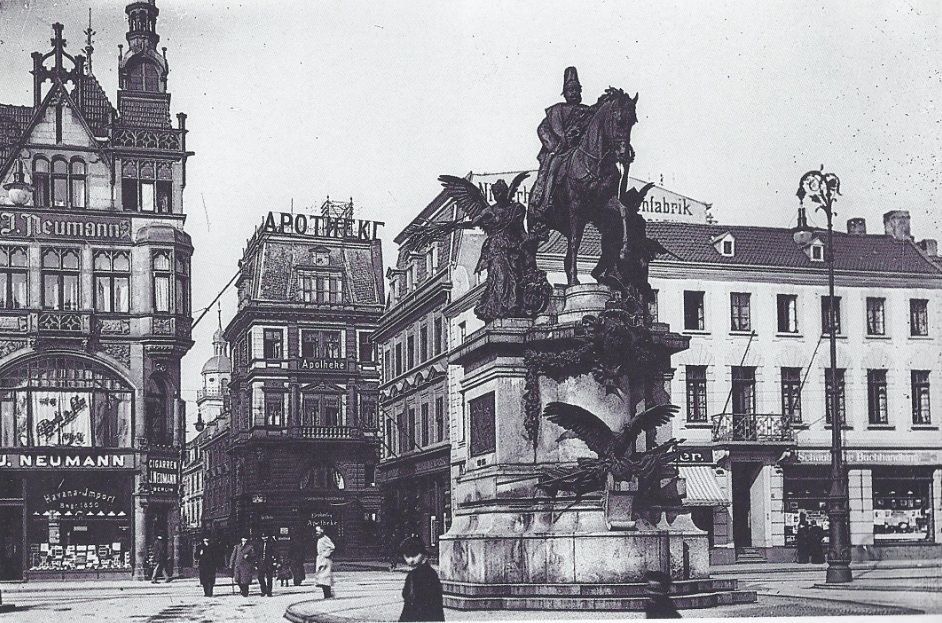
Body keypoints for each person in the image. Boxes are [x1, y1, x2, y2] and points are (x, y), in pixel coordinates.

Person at [529, 66, 592, 237]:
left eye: (575, 90)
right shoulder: (556, 111)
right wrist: (557, 144)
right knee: (553, 167)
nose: (573, 94)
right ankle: (545, 200)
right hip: (561, 151)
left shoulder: (588, 111)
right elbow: (543, 129)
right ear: (564, 93)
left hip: (581, 152)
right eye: (569, 90)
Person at [398, 535, 444, 622]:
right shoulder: (412, 574)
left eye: (415, 555)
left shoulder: (429, 574)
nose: (411, 560)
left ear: (424, 555)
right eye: (407, 556)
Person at [313, 525, 335, 599]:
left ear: (322, 531)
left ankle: (327, 594)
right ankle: (326, 594)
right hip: (321, 559)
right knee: (322, 578)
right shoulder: (320, 539)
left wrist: (325, 555)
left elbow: (332, 547)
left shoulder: (325, 539)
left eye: (318, 531)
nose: (317, 533)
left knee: (325, 578)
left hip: (325, 561)